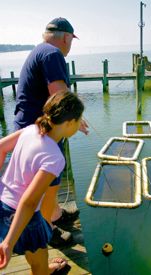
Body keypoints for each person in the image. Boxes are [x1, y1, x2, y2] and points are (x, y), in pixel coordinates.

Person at [13, 17, 88, 245]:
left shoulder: (40, 50)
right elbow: (59, 94)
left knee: (45, 180)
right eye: (71, 40)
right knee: (48, 181)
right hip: (41, 132)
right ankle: (48, 230)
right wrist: (77, 118)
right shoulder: (53, 54)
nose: (70, 45)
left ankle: (54, 214)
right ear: (66, 37)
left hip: (30, 127)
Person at [0, 91, 84, 274]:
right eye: (79, 120)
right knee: (38, 261)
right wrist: (8, 242)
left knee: (34, 253)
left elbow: (0, 148)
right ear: (70, 123)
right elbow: (29, 202)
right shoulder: (54, 157)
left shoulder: (30, 130)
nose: (79, 125)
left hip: (2, 204)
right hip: (25, 217)